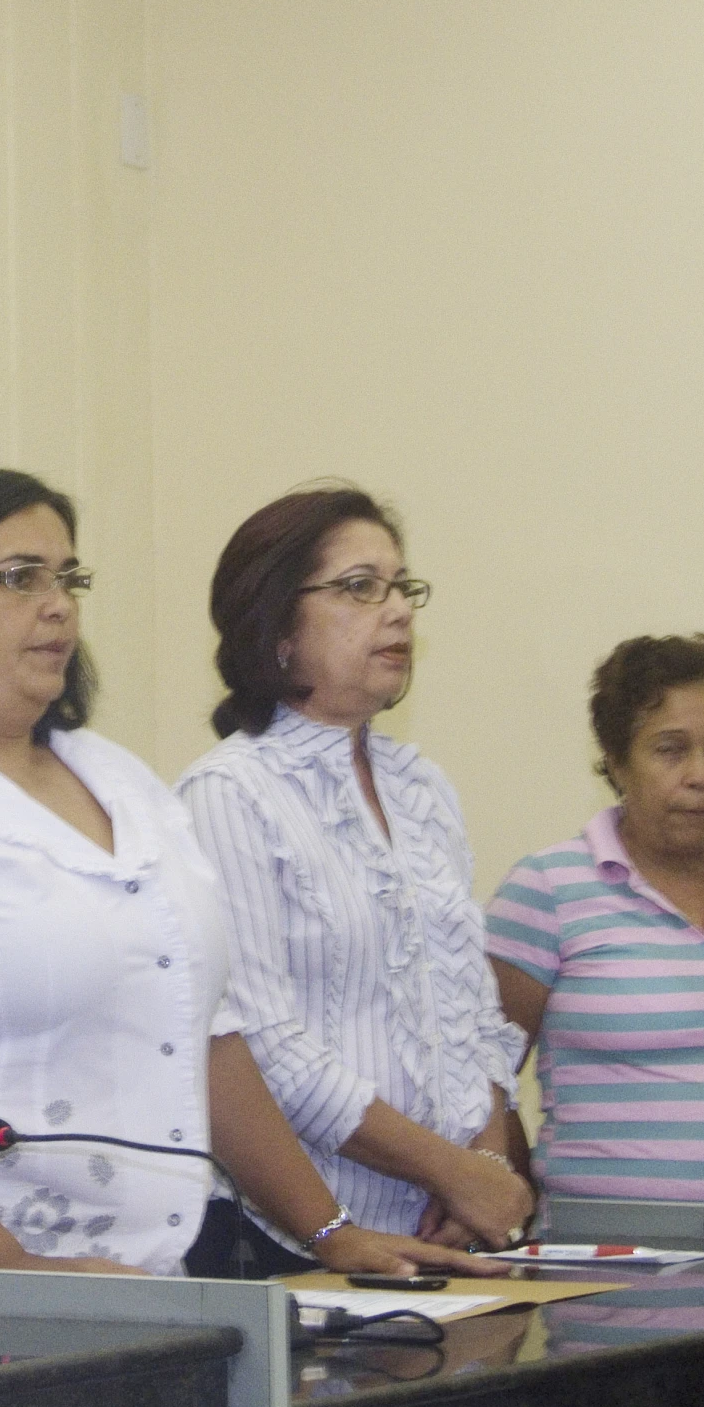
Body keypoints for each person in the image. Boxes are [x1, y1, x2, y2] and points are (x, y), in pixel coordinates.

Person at [0, 468, 501, 1279]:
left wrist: (331, 1233)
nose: (58, 604)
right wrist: (15, 1272)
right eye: (17, 578)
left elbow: (210, 1038)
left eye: (67, 577)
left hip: (146, 1292)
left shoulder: (127, 787)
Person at [175, 484, 533, 1264]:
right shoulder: (228, 793)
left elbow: (470, 1014)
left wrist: (487, 1168)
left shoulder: (423, 788)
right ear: (276, 628)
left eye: (403, 586)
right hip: (291, 1239)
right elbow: (265, 1043)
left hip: (442, 1230)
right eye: (360, 588)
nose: (399, 610)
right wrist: (450, 1168)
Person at [485, 635, 704, 1205]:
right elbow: (482, 1081)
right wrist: (516, 1202)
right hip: (599, 1263)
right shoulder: (547, 888)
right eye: (669, 749)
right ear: (616, 761)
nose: (701, 775)